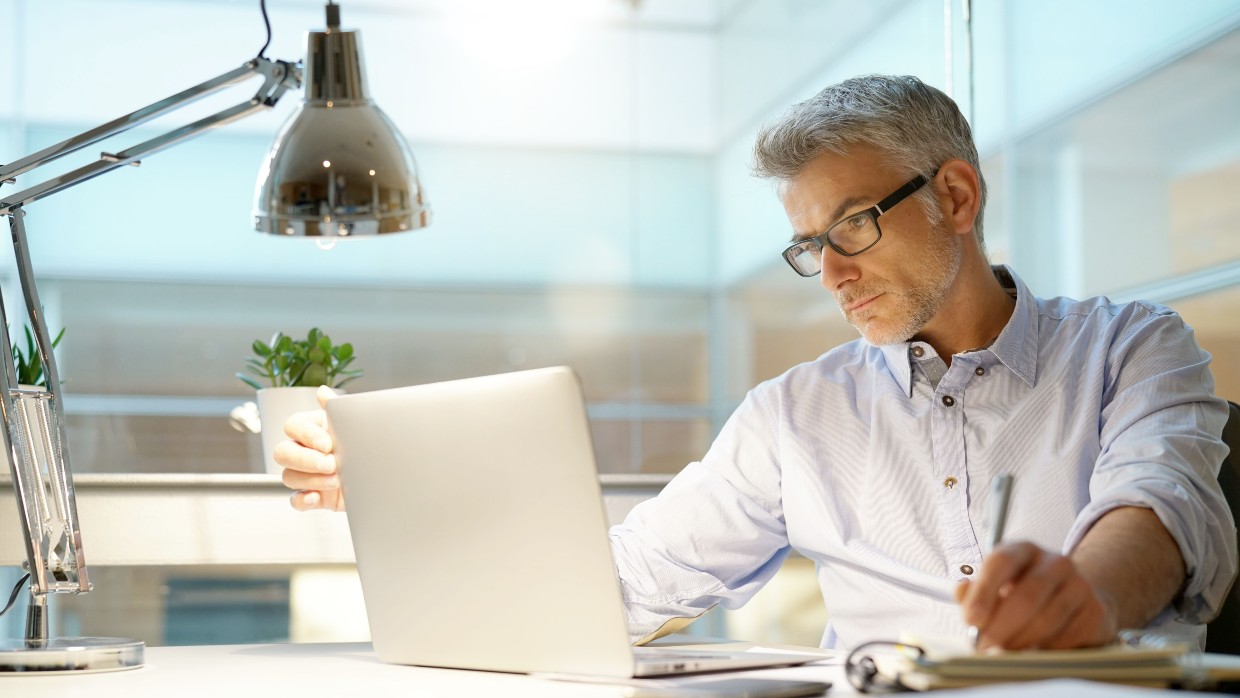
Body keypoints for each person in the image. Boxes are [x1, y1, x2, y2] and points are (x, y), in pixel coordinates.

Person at [274, 75, 1237, 652]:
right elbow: (628, 578)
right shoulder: (796, 414)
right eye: (808, 244)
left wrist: (1083, 597)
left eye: (851, 226)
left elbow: (1158, 511)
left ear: (954, 193)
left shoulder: (1132, 346)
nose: (830, 273)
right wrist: (411, 491)